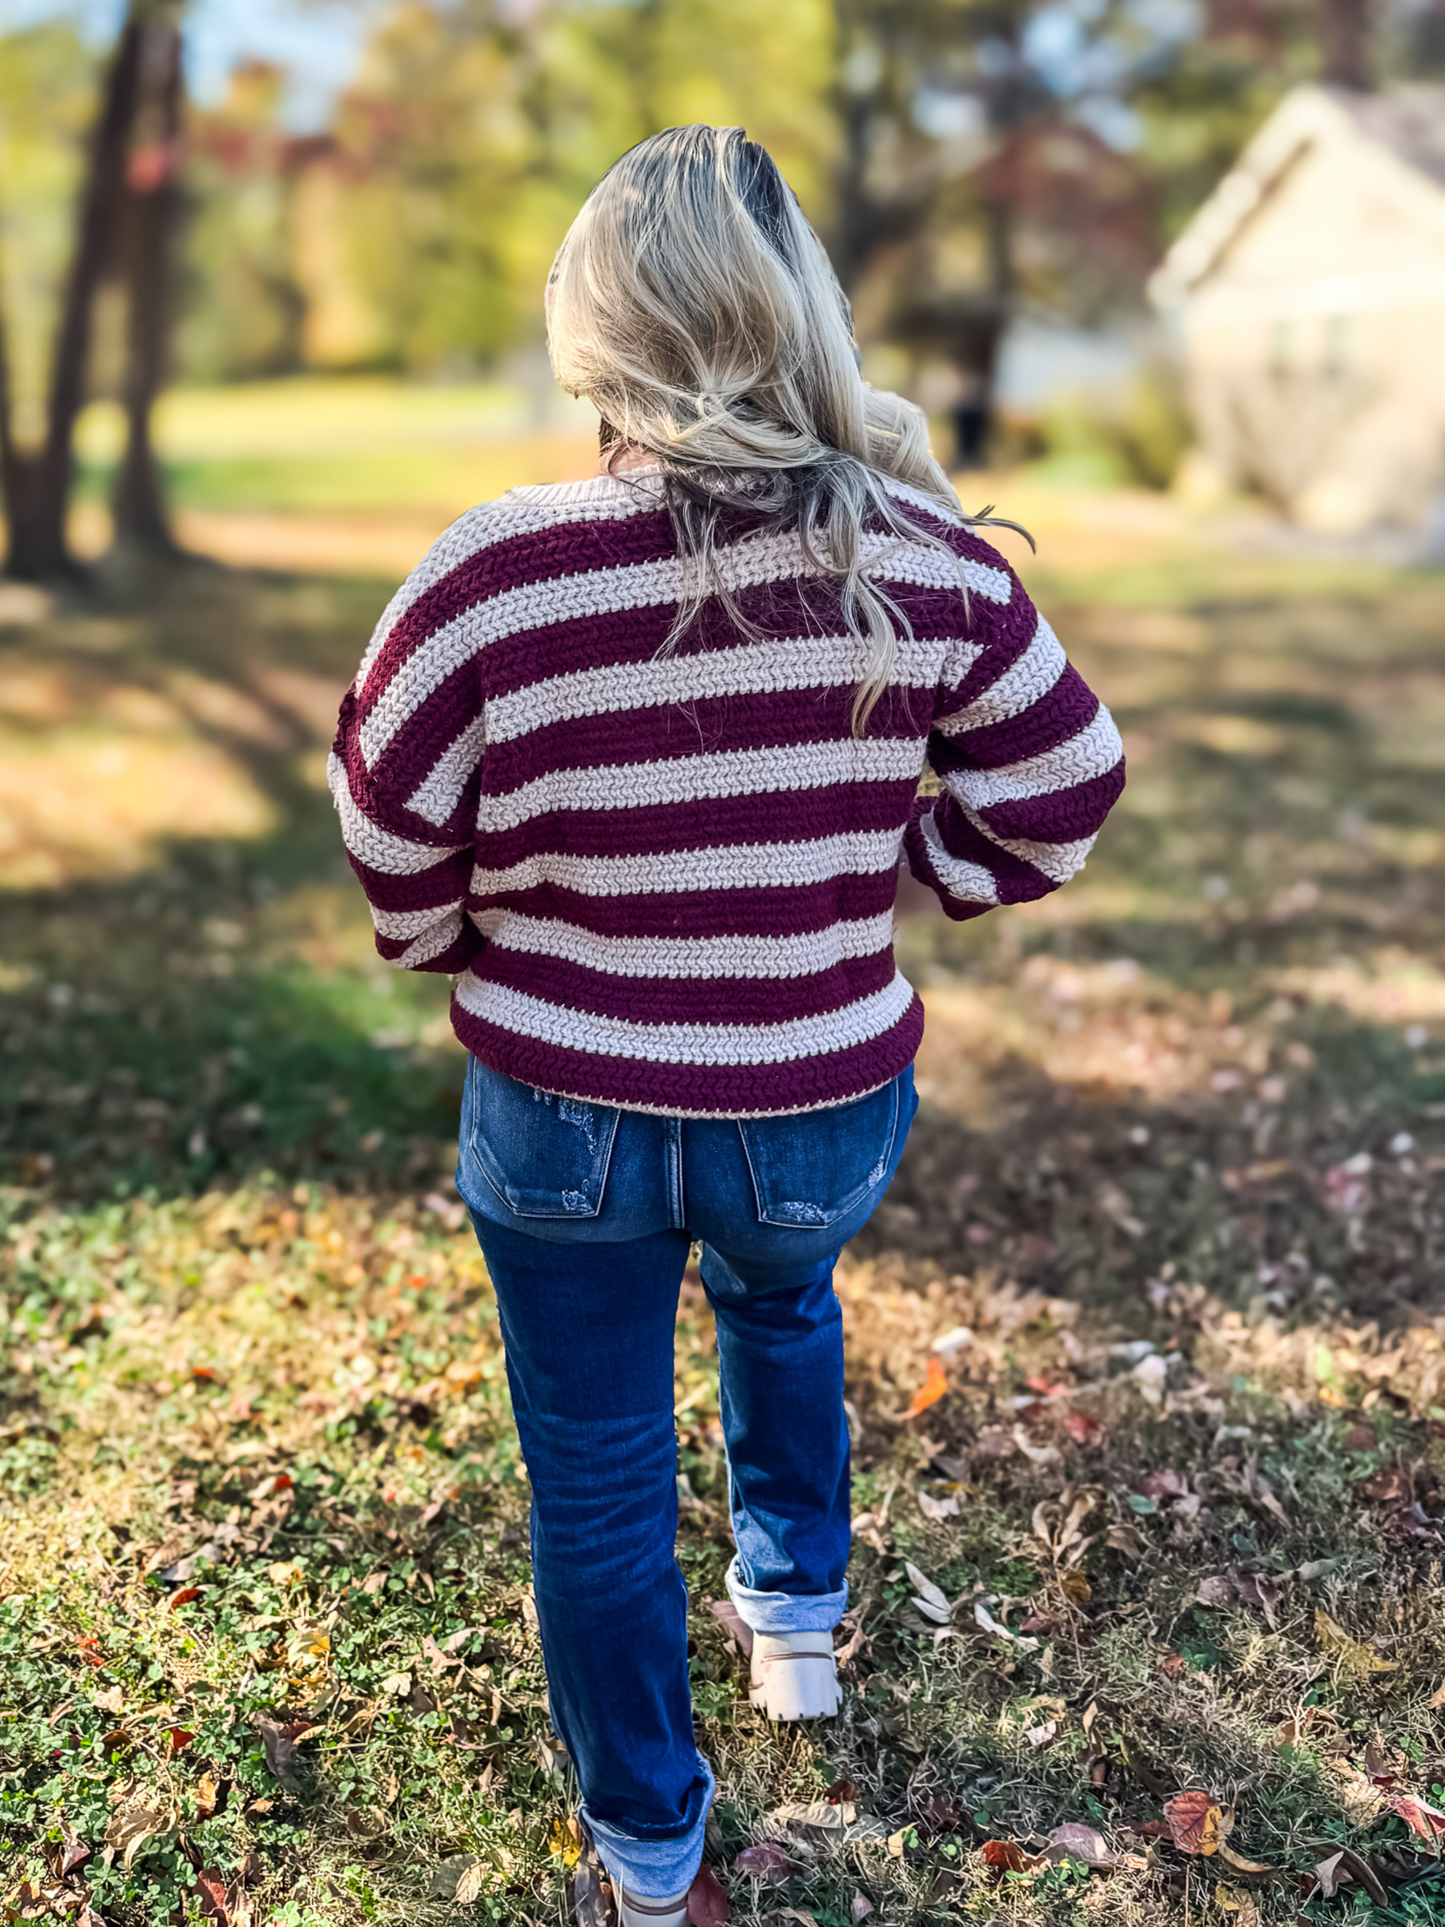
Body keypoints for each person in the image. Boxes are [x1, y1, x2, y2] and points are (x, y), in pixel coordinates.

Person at [329, 124, 1123, 1927]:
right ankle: (794, 1625)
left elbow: (388, 834)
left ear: (595, 325)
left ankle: (654, 1862)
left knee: (597, 1488)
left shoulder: (493, 572)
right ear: (800, 313)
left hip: (562, 1117)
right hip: (810, 1105)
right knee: (785, 1297)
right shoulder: (914, 550)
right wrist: (901, 869)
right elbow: (1066, 789)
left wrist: (460, 931)